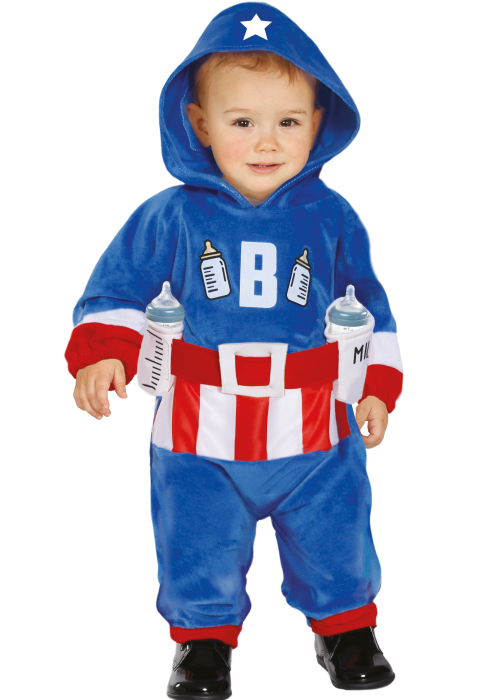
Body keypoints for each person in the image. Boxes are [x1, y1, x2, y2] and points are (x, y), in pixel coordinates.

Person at [65, 3, 403, 696]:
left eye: (289, 122)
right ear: (199, 124)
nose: (266, 142)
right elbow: (117, 288)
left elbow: (368, 302)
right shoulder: (171, 215)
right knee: (196, 538)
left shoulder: (332, 216)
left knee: (337, 532)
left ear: (320, 122)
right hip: (198, 426)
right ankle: (203, 643)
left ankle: (346, 629)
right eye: (242, 122)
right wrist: (104, 351)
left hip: (314, 424)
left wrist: (377, 384)